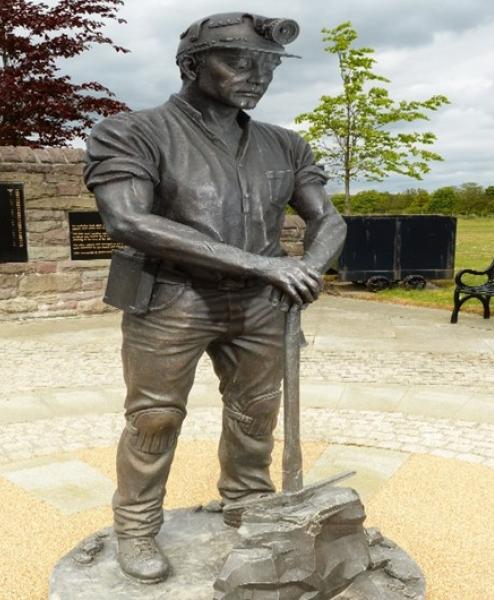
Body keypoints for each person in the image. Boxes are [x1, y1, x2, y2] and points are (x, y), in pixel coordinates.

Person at [83, 12, 346, 583]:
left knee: (256, 413)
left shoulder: (285, 143)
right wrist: (264, 263)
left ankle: (248, 504)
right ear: (190, 64)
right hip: (171, 299)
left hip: (261, 305)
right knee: (153, 418)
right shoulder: (131, 131)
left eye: (268, 64)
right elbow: (128, 219)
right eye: (238, 61)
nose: (257, 75)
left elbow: (327, 218)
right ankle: (135, 526)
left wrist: (310, 267)